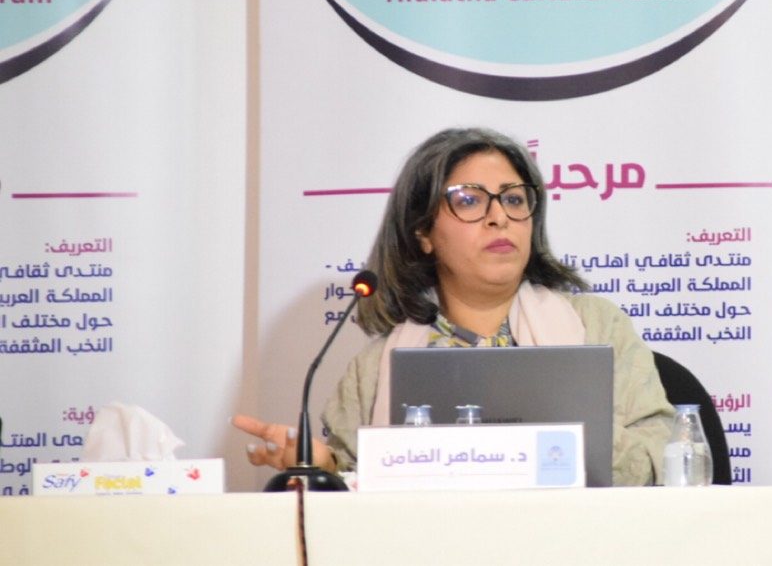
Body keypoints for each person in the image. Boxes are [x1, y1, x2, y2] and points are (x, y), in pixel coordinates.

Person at [233, 127, 673, 485]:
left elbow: (662, 461)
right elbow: (356, 495)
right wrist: (325, 470)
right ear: (423, 233)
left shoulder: (597, 328)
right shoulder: (374, 371)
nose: (499, 217)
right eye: (469, 200)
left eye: (514, 199)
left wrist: (550, 439)